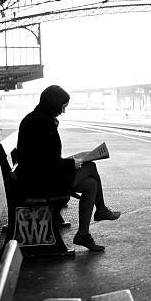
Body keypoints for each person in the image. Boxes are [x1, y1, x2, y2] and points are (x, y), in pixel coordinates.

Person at [17, 85, 120, 251]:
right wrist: (71, 163)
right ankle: (100, 210)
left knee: (91, 185)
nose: (63, 111)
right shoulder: (42, 123)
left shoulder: (36, 119)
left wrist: (69, 161)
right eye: (62, 107)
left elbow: (43, 158)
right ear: (54, 104)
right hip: (39, 182)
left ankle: (83, 234)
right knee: (91, 166)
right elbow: (45, 162)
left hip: (36, 176)